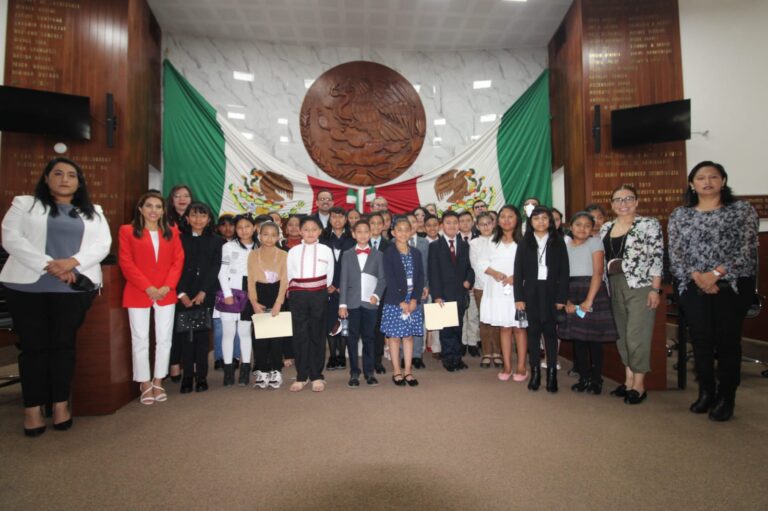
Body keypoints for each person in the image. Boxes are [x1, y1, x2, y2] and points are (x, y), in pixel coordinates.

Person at [1, 157, 111, 436]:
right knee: (33, 348)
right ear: (47, 178)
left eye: (71, 175)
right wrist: (51, 265)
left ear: (79, 182)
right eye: (58, 173)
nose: (65, 179)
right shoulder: (24, 204)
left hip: (72, 289)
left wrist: (71, 262)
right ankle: (33, 409)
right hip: (27, 287)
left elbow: (102, 245)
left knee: (63, 347)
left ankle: (61, 404)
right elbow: (11, 238)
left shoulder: (93, 211)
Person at [669, 161, 758, 421]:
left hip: (731, 284)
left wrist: (716, 274)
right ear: (691, 184)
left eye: (713, 177)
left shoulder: (741, 210)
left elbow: (747, 249)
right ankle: (706, 391)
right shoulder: (680, 215)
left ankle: (727, 396)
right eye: (700, 178)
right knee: (701, 340)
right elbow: (676, 253)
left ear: (723, 181)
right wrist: (698, 276)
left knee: (728, 341)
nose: (707, 182)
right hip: (692, 284)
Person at [119, 192, 184, 406]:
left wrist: (167, 286)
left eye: (158, 206)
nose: (154, 210)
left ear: (164, 210)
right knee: (140, 339)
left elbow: (178, 260)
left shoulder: (171, 231)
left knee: (164, 339)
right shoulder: (127, 231)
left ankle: (158, 380)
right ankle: (144, 382)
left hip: (166, 292)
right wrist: (148, 287)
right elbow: (126, 263)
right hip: (139, 291)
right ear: (140, 209)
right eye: (149, 206)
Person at [600, 185, 663, 405]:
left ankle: (639, 384)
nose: (623, 203)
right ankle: (627, 381)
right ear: (612, 204)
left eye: (628, 199)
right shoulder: (606, 227)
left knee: (637, 334)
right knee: (622, 335)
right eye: (617, 200)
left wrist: (655, 289)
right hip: (613, 285)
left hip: (640, 285)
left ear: (636, 202)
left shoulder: (648, 224)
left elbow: (657, 257)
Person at [558, 212, 618, 394]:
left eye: (587, 225)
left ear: (592, 228)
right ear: (571, 227)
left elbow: (598, 272)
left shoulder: (595, 242)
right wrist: (566, 300)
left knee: (594, 339)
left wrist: (589, 300)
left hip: (592, 290)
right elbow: (560, 275)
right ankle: (583, 377)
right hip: (571, 290)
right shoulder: (564, 245)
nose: (582, 228)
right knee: (579, 339)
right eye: (578, 224)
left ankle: (596, 379)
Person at [514, 206, 569, 393]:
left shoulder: (558, 241)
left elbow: (564, 271)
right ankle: (535, 372)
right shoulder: (524, 242)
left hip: (551, 292)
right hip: (530, 292)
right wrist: (519, 298)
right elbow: (518, 272)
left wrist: (562, 297)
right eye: (536, 219)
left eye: (545, 218)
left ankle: (552, 374)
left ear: (550, 221)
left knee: (550, 333)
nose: (541, 222)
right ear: (530, 222)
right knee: (533, 332)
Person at [176, 202, 221, 393]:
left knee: (203, 335)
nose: (198, 219)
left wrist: (203, 291)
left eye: (203, 216)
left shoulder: (217, 241)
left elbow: (215, 267)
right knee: (186, 336)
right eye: (193, 215)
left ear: (209, 219)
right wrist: (182, 293)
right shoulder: (178, 239)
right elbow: (173, 267)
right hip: (183, 294)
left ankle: (202, 376)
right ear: (187, 218)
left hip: (206, 294)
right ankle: (187, 377)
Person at [287, 216, 334, 392]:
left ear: (320, 231)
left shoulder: (326, 250)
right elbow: (290, 274)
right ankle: (301, 375)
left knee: (317, 334)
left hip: (319, 294)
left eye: (314, 229)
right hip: (298, 295)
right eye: (306, 229)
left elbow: (330, 274)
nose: (310, 233)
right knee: (300, 334)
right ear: (300, 231)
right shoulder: (293, 251)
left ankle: (316, 375)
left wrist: (319, 290)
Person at [482, 206, 529, 382]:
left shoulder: (524, 241)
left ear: (517, 219)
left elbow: (532, 265)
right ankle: (507, 365)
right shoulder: (491, 241)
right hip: (497, 289)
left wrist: (517, 277)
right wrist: (495, 273)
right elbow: (482, 262)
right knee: (504, 327)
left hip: (519, 290)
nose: (506, 220)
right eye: (502, 216)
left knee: (519, 327)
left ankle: (522, 366)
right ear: (497, 220)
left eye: (510, 216)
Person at [338, 220, 387, 387]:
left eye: (366, 231)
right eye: (359, 232)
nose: (363, 235)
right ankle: (354, 373)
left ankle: (369, 372)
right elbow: (343, 280)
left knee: (369, 338)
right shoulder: (347, 254)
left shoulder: (378, 255)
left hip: (370, 303)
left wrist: (376, 295)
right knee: (352, 338)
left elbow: (382, 279)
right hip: (351, 303)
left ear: (371, 232)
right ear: (353, 234)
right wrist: (342, 304)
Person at [381, 217, 425, 386]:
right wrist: (401, 301)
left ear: (411, 231)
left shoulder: (416, 252)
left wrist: (414, 299)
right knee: (394, 338)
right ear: (393, 232)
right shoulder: (389, 253)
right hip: (394, 301)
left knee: (408, 336)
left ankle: (408, 371)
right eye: (399, 229)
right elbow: (389, 279)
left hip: (412, 299)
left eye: (406, 229)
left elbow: (420, 277)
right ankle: (397, 371)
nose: (403, 233)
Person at [428, 210, 474, 372]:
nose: (452, 226)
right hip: (444, 294)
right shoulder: (434, 246)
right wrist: (437, 295)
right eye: (448, 223)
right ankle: (448, 359)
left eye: (455, 223)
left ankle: (457, 358)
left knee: (458, 327)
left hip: (460, 293)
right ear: (442, 226)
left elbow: (470, 267)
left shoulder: (464, 244)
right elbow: (433, 273)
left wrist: (469, 280)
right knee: (446, 329)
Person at [247, 222, 289, 390]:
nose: (269, 238)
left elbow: (285, 280)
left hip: (277, 294)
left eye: (273, 234)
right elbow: (250, 280)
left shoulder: (284, 255)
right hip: (259, 294)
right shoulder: (252, 255)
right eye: (265, 234)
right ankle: (263, 370)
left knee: (277, 337)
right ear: (259, 235)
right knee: (260, 337)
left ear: (278, 236)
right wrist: (254, 302)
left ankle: (276, 371)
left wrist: (279, 302)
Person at [218, 215, 257, 387]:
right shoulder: (228, 246)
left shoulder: (259, 246)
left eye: (247, 226)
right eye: (239, 227)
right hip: (231, 292)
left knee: (244, 332)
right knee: (228, 332)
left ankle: (245, 370)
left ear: (254, 228)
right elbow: (221, 271)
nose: (243, 230)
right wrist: (227, 293)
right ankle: (228, 371)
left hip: (249, 293)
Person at [321, 207, 355, 370]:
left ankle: (342, 355)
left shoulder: (352, 239)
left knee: (344, 322)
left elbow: (354, 265)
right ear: (329, 219)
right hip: (327, 287)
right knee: (330, 322)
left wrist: (343, 286)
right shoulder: (323, 238)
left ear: (346, 220)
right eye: (333, 217)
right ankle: (332, 356)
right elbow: (320, 263)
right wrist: (329, 284)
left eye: (341, 217)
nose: (337, 220)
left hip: (345, 288)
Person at [165, 184, 193, 380]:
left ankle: (187, 363)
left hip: (190, 277)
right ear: (171, 199)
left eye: (186, 196)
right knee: (173, 325)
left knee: (189, 324)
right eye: (177, 196)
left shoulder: (196, 219)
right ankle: (174, 363)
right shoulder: (164, 220)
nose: (182, 199)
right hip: (168, 278)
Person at [470, 211, 501, 368]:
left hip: (499, 286)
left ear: (493, 224)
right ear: (477, 226)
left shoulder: (500, 240)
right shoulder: (474, 243)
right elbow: (476, 265)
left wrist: (496, 280)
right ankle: (487, 353)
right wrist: (488, 283)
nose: (485, 226)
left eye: (488, 223)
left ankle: (497, 352)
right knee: (484, 320)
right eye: (482, 224)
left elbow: (501, 263)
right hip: (481, 286)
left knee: (497, 319)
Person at [213, 214, 240, 371]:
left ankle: (235, 356)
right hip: (218, 287)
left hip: (236, 288)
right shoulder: (216, 243)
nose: (228, 228)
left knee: (236, 324)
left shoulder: (241, 244)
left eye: (231, 225)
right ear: (218, 227)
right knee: (219, 325)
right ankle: (219, 357)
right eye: (224, 225)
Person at [406, 213, 431, 369]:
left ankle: (416, 355)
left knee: (417, 322)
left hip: (420, 287)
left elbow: (426, 267)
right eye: (407, 222)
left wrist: (426, 285)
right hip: (402, 289)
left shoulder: (424, 242)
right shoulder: (394, 242)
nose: (411, 225)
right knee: (403, 321)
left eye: (414, 221)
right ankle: (403, 355)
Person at [368, 212, 391, 374]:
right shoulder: (360, 244)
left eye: (379, 223)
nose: (376, 227)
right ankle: (367, 360)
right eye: (372, 223)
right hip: (364, 293)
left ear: (383, 226)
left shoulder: (389, 245)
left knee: (378, 329)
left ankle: (377, 360)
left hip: (383, 293)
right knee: (366, 328)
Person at [458, 210, 480, 357]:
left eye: (468, 220)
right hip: (459, 285)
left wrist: (472, 282)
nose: (465, 223)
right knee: (460, 316)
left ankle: (472, 343)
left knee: (473, 315)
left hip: (475, 283)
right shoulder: (454, 241)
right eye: (462, 221)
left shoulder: (479, 240)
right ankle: (462, 343)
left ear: (473, 223)